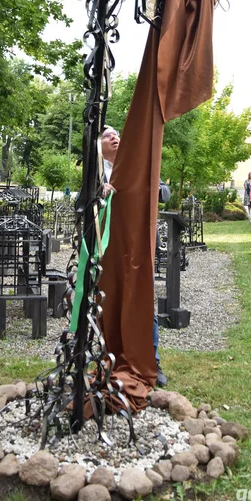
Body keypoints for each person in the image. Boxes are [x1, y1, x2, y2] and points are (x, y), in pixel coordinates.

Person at [101, 126, 168, 387]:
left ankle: (153, 361)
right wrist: (98, 192)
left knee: (143, 301)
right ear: (99, 144)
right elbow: (80, 206)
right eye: (108, 135)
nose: (115, 137)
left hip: (137, 246)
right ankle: (110, 358)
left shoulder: (138, 164)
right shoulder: (94, 173)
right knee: (109, 302)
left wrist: (154, 189)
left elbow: (164, 192)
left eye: (118, 133)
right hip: (108, 251)